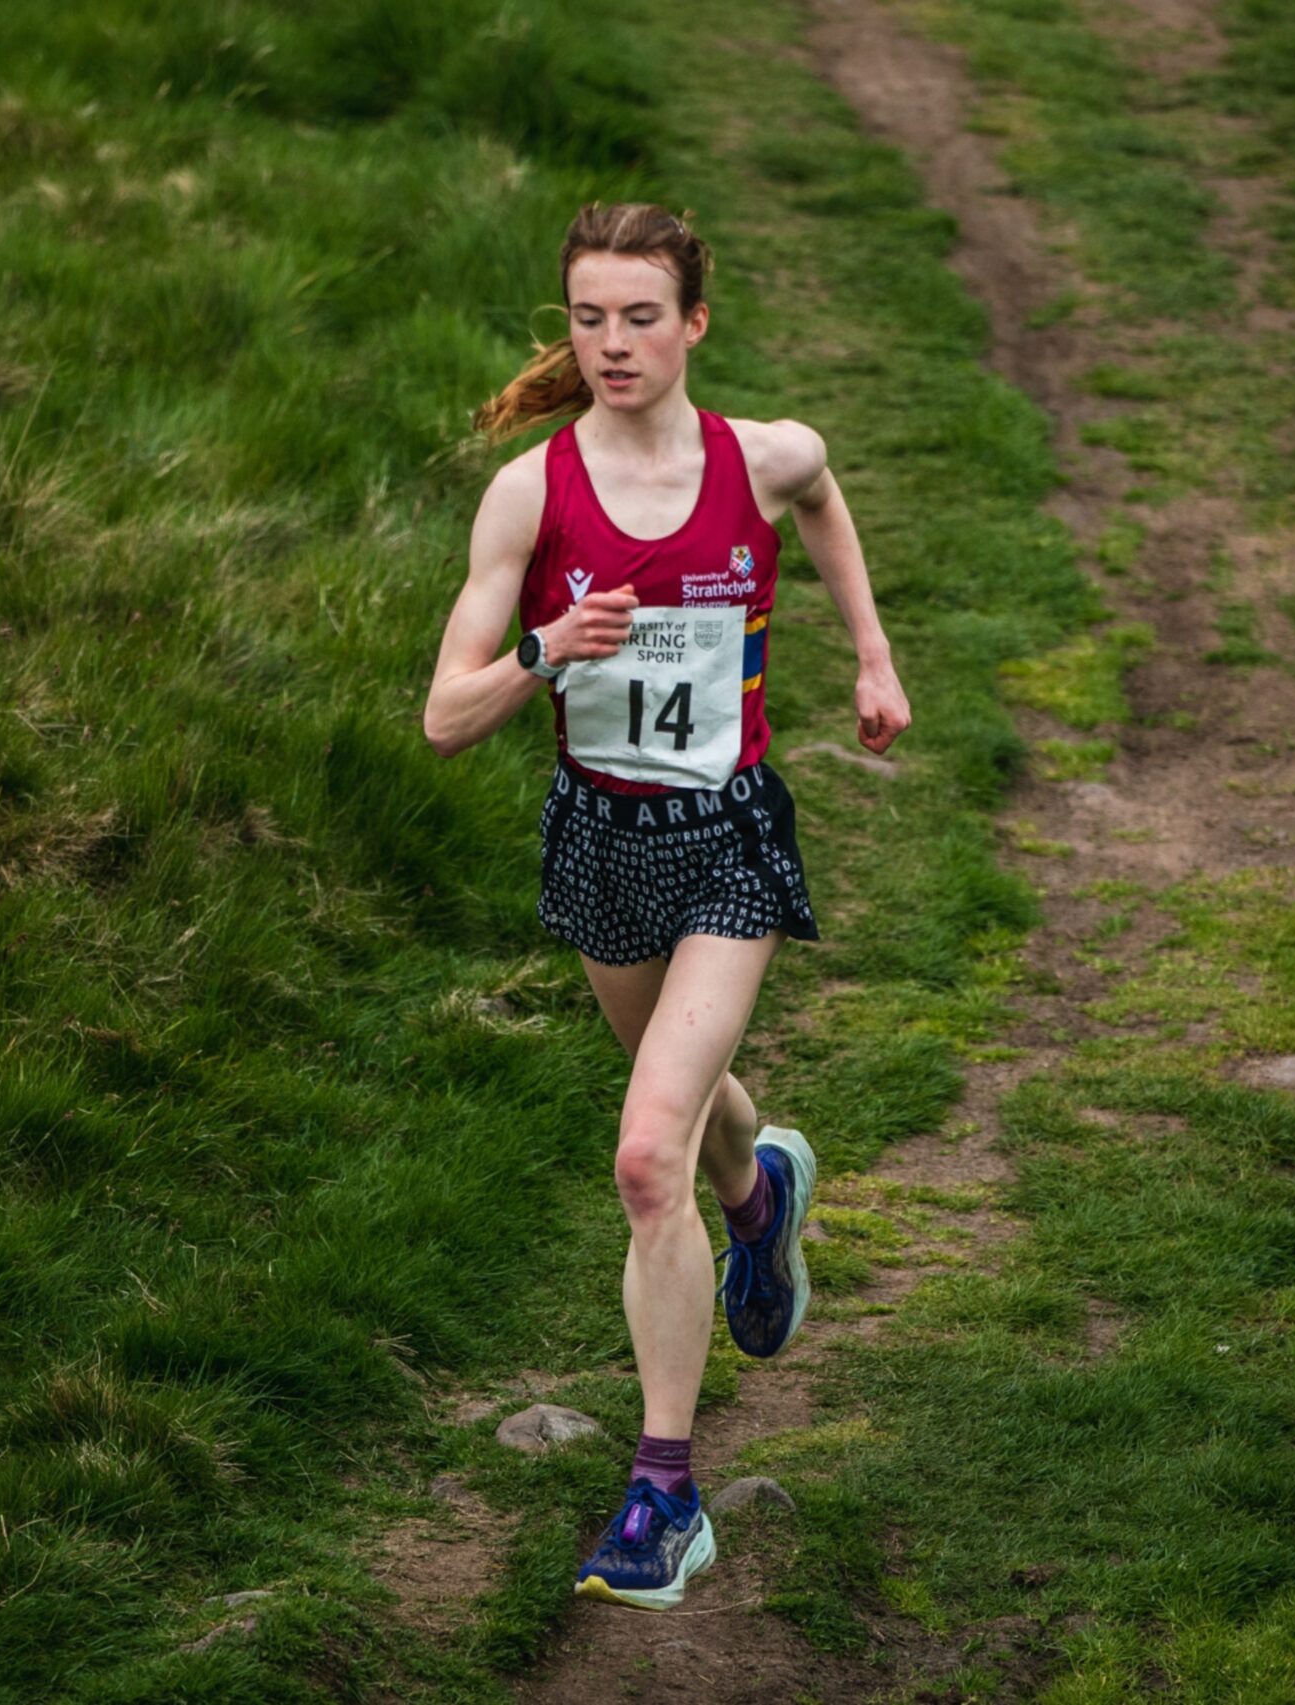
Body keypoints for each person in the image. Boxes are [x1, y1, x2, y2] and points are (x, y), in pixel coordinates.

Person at [421, 202, 911, 1611]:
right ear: (567, 326)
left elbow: (821, 497)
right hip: (600, 844)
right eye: (589, 317)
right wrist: (544, 647)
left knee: (647, 1154)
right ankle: (763, 1194)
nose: (614, 343)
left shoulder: (763, 460)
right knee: (687, 1107)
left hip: (727, 842)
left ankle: (664, 1491)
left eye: (642, 316)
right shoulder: (533, 495)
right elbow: (447, 718)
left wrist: (872, 657)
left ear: (695, 322)